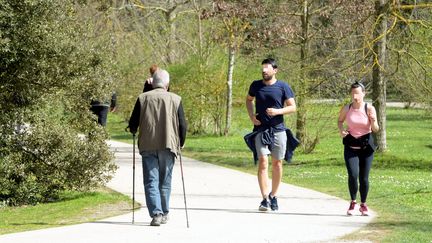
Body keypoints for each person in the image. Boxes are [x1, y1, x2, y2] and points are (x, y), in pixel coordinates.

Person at [128, 69, 187, 226]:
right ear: (167, 84)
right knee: (165, 181)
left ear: (152, 83)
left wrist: (133, 130)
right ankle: (165, 212)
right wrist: (181, 142)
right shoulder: (176, 98)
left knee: (151, 181)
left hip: (148, 144)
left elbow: (133, 124)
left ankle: (156, 214)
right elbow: (183, 124)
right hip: (169, 145)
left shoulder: (142, 98)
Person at [245, 58, 296, 211]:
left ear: (275, 70)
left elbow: (293, 107)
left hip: (278, 130)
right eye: (263, 68)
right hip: (261, 129)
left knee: (277, 163)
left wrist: (278, 111)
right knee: (262, 162)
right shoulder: (256, 85)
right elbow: (248, 100)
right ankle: (264, 199)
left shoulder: (283, 87)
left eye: (267, 68)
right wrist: (251, 116)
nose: (264, 71)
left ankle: (273, 195)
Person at [337, 81, 379, 216]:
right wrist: (341, 130)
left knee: (364, 178)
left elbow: (376, 129)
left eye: (358, 93)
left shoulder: (369, 108)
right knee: (353, 175)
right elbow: (340, 121)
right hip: (351, 146)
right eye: (353, 93)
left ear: (363, 94)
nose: (355, 96)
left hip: (366, 147)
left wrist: (372, 121)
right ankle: (353, 202)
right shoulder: (347, 108)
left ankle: (363, 205)